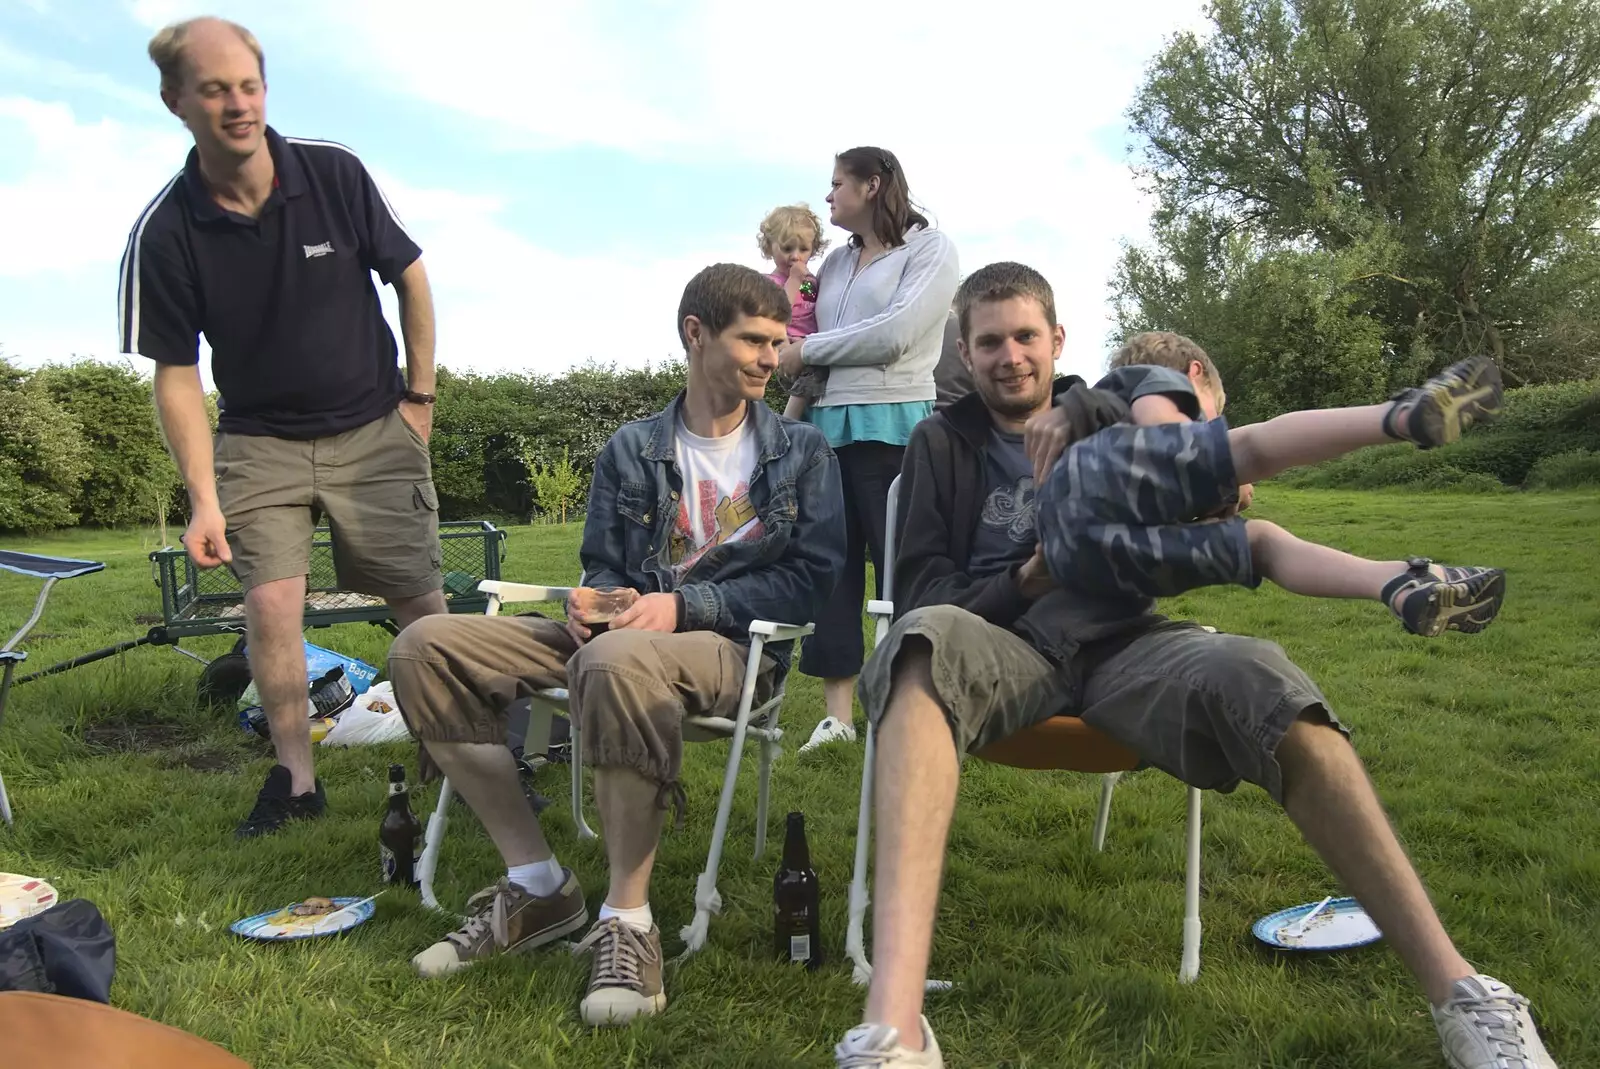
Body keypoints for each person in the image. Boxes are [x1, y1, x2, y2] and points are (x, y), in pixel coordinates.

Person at [834, 261, 1558, 1069]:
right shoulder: (941, 442)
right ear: (965, 356)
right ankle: (895, 1027)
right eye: (991, 341)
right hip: (1007, 645)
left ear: (1056, 339)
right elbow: (922, 589)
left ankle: (1464, 992)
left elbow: (1171, 430)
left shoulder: (1097, 411)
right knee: (923, 638)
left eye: (1025, 336)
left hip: (1127, 643)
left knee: (1270, 685)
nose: (1010, 356)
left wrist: (1167, 469)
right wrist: (1028, 577)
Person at [388, 264, 845, 1026]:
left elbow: (809, 584)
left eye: (778, 342)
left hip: (736, 650)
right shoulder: (632, 448)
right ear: (696, 334)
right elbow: (604, 562)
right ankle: (538, 884)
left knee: (614, 658)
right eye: (755, 341)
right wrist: (591, 602)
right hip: (620, 643)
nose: (774, 357)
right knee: (423, 646)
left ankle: (628, 920)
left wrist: (682, 605)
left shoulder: (801, 452)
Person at [120, 17, 446, 838]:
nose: (237, 105)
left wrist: (420, 399)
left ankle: (461, 761)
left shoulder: (333, 174)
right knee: (270, 608)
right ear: (176, 101)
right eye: (215, 90)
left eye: (249, 85)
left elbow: (410, 275)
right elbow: (177, 373)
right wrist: (202, 498)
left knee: (421, 601)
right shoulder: (165, 233)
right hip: (259, 440)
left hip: (376, 425)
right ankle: (296, 783)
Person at [1034, 334, 1507, 637]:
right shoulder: (1143, 377)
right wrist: (1208, 458)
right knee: (1253, 449)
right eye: (1213, 410)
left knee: (1259, 542)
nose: (1214, 423)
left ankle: (1403, 583)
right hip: (1082, 500)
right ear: (1195, 373)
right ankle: (1403, 415)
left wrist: (1209, 502)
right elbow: (1163, 433)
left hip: (1071, 559)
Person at [776, 147, 960, 752]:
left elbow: (896, 334)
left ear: (872, 184)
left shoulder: (929, 250)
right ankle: (838, 719)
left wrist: (810, 351)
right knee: (831, 566)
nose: (827, 197)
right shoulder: (830, 267)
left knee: (899, 566)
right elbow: (807, 340)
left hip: (896, 424)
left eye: (837, 184)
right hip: (826, 430)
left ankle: (909, 705)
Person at [758, 203, 830, 419]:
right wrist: (795, 279)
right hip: (786, 343)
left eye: (803, 249)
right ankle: (788, 421)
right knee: (812, 374)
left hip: (809, 343)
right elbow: (780, 311)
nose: (795, 256)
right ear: (770, 247)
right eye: (788, 249)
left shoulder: (811, 282)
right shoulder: (770, 282)